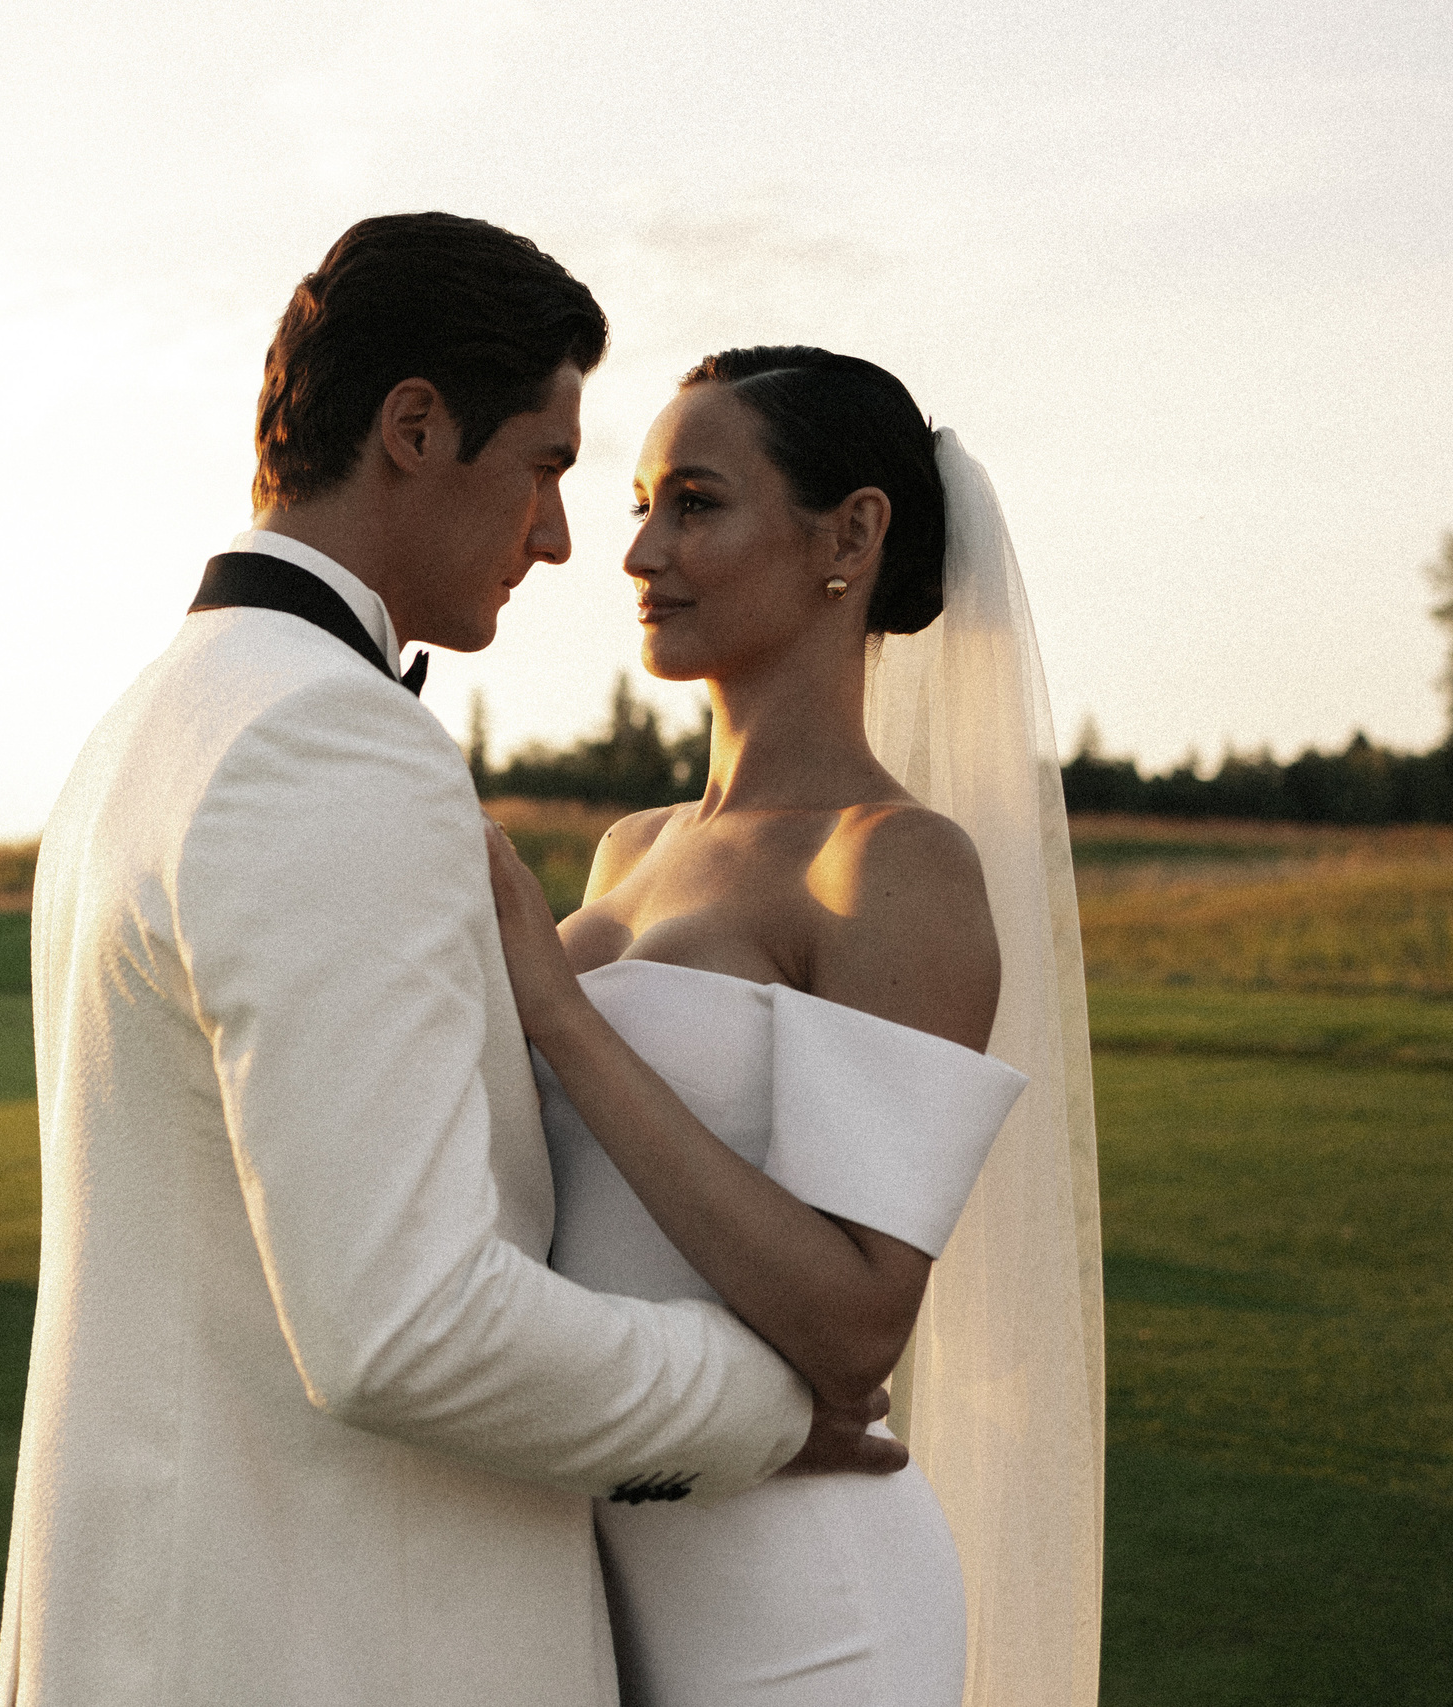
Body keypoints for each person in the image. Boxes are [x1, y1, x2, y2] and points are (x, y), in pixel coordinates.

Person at [0, 217, 914, 1707]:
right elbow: (406, 1330)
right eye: (550, 465)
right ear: (417, 427)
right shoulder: (327, 741)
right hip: (337, 1647)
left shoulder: (153, 723)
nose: (563, 538)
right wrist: (758, 1404)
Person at [483, 347, 1104, 1707]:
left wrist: (561, 1018)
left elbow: (855, 1324)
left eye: (694, 503)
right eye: (641, 503)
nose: (637, 549)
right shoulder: (628, 848)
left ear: (853, 534)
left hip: (808, 1615)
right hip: (604, 1574)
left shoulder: (892, 864)